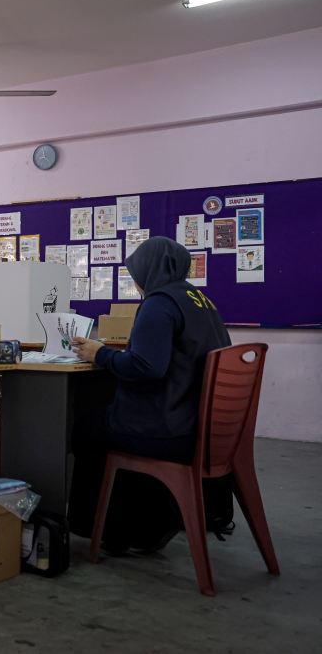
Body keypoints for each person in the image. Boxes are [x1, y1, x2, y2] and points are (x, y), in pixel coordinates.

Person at [67, 237, 231, 554]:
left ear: (148, 271)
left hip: (168, 428)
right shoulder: (202, 301)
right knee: (110, 420)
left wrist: (100, 354)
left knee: (88, 429)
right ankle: (151, 520)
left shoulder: (158, 303)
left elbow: (146, 367)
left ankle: (114, 530)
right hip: (198, 425)